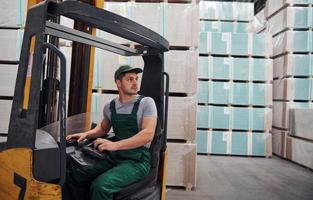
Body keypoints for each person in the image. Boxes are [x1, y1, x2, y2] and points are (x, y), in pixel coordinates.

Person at [65, 65, 158, 200]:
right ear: (118, 83)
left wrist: (115, 145)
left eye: (136, 79)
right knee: (75, 176)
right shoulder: (110, 106)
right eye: (130, 79)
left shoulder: (146, 103)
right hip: (116, 156)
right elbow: (103, 128)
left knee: (101, 186)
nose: (135, 83)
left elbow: (147, 134)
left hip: (137, 161)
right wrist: (86, 134)